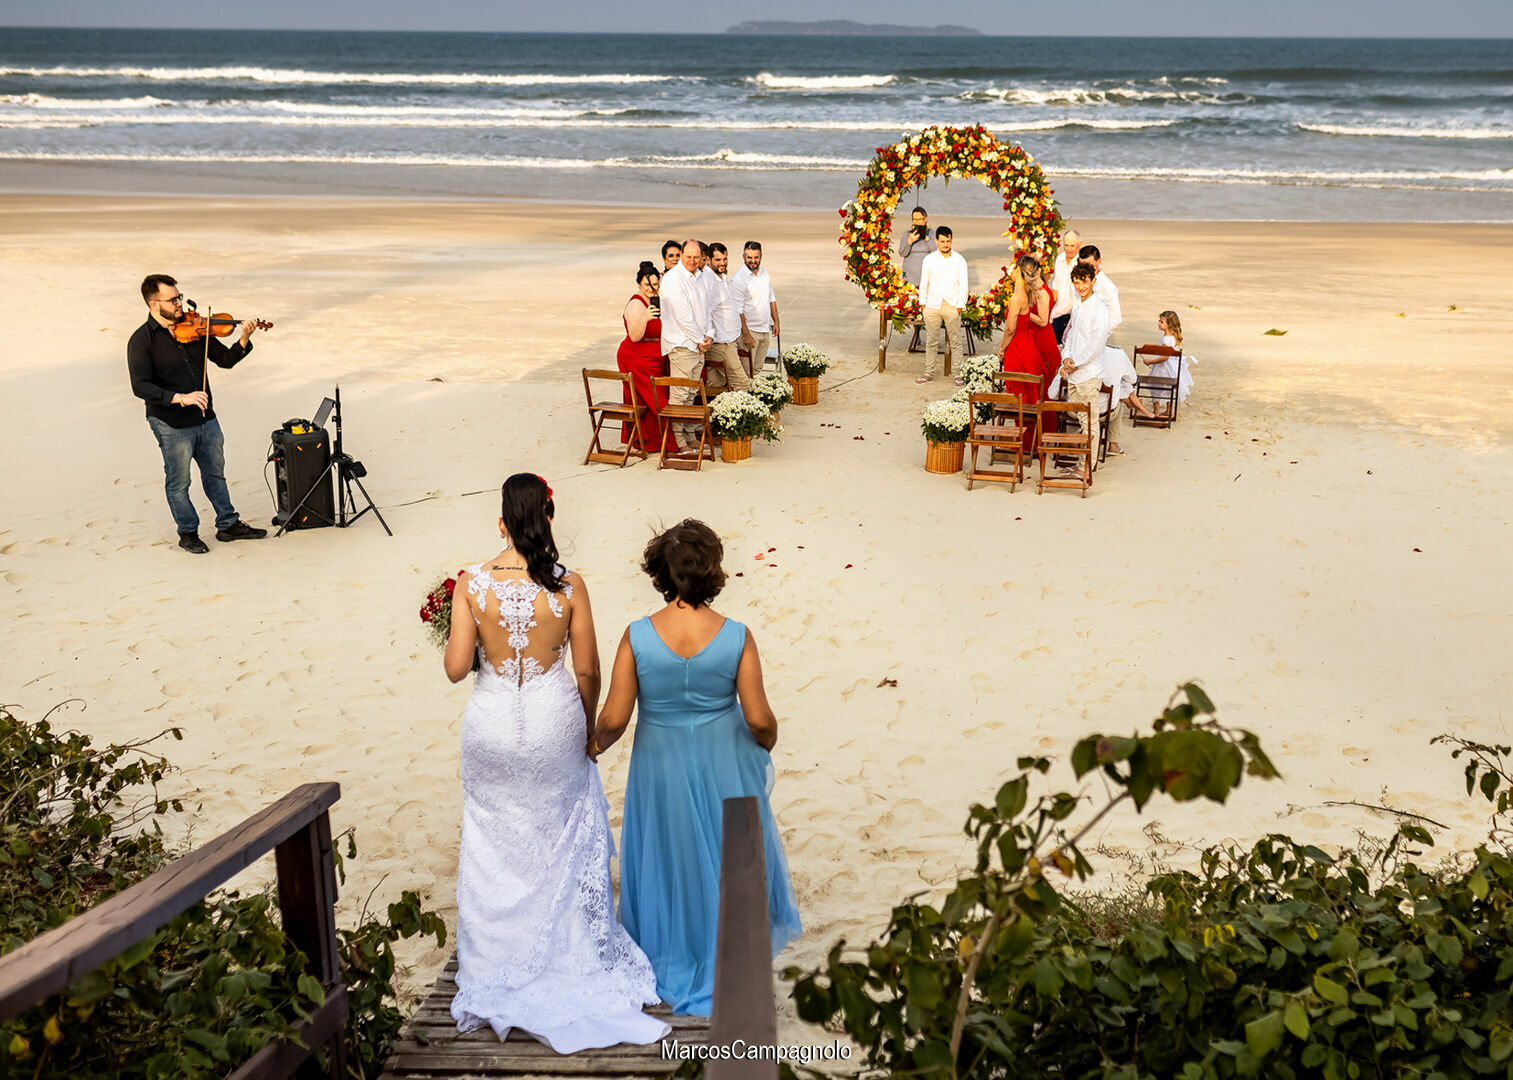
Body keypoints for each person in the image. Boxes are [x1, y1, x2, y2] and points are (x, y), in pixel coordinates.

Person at [443, 474, 669, 1052]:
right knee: (558, 830)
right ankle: (567, 948)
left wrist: (466, 633)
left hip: (492, 723)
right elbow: (588, 669)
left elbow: (455, 667)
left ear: (501, 522)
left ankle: (496, 958)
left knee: (493, 835)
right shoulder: (570, 586)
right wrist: (588, 726)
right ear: (548, 517)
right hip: (552, 718)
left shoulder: (470, 583)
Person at [593, 519, 801, 1017]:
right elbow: (759, 718)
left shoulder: (638, 636)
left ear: (660, 572)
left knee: (669, 853)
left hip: (660, 764)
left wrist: (590, 745)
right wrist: (765, 744)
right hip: (722, 759)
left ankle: (669, 950)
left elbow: (615, 718)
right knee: (726, 855)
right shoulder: (736, 637)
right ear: (712, 571)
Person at [126, 274, 269, 554]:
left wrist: (243, 339)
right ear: (154, 304)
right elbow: (140, 386)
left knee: (215, 473)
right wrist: (181, 398)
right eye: (172, 300)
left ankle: (228, 525)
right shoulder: (141, 341)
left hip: (205, 417)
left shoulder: (197, 329)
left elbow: (225, 360)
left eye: (179, 297)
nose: (180, 304)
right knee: (179, 481)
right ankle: (188, 532)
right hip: (170, 422)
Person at [998, 255, 1061, 454]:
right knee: (1031, 392)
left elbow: (1040, 322)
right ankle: (1032, 438)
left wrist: (1020, 312)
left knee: (1036, 393)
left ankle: (1039, 438)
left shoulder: (1034, 294)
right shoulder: (1027, 292)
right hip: (1030, 343)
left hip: (1040, 345)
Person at [658, 238, 713, 445]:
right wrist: (700, 340)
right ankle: (678, 442)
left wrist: (710, 336)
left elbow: (707, 311)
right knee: (680, 394)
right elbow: (683, 316)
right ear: (681, 255)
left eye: (696, 257)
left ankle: (689, 435)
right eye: (688, 256)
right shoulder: (673, 279)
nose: (692, 261)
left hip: (699, 346)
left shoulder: (701, 277)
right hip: (682, 344)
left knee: (692, 394)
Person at [1058, 263, 1110, 478]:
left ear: (1093, 281)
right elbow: (1071, 335)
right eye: (1077, 282)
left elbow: (1096, 344)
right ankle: (1081, 463)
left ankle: (1086, 467)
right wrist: (1066, 358)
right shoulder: (1079, 304)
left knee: (1090, 422)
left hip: (1089, 374)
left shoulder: (1099, 309)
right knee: (1081, 420)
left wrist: (1075, 362)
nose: (1080, 287)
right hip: (1074, 373)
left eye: (1084, 282)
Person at [616, 263, 668, 452]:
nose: (652, 288)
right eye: (647, 285)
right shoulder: (636, 304)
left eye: (655, 284)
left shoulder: (658, 299)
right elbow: (634, 336)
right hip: (636, 358)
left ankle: (653, 439)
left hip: (656, 357)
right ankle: (643, 440)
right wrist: (645, 317)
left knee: (654, 397)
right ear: (639, 284)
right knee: (651, 399)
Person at [916, 225, 967, 385]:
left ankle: (957, 375)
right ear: (936, 241)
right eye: (942, 241)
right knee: (931, 341)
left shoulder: (959, 260)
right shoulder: (929, 259)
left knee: (955, 342)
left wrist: (960, 306)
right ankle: (928, 373)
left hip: (952, 306)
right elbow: (924, 282)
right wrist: (923, 304)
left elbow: (964, 284)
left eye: (948, 241)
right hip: (932, 305)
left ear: (952, 240)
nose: (945, 244)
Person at [706, 243, 751, 391]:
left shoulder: (721, 278)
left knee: (715, 385)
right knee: (742, 384)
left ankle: (713, 406)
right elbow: (706, 312)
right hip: (721, 344)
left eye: (725, 259)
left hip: (729, 342)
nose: (722, 263)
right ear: (708, 260)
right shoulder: (710, 282)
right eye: (718, 260)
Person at [730, 241, 778, 374]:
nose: (753, 261)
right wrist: (746, 335)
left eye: (756, 257)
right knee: (747, 372)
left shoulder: (764, 273)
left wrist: (776, 322)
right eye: (749, 257)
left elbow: (771, 298)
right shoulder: (738, 279)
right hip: (750, 332)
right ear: (743, 256)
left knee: (757, 370)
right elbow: (738, 310)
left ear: (761, 256)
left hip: (765, 330)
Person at [1147, 310, 1195, 416]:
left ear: (1169, 324)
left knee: (1155, 387)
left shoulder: (1166, 339)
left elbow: (1165, 357)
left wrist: (1150, 361)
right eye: (1159, 321)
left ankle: (1156, 412)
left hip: (1163, 367)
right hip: (1172, 367)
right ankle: (1169, 411)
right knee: (1169, 389)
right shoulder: (1173, 337)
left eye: (1161, 322)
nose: (1159, 323)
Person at [1049, 228, 1081, 345]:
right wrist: (1049, 311)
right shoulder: (1060, 259)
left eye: (1072, 246)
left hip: (1073, 315)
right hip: (1058, 312)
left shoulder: (1081, 263)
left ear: (1079, 245)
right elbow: (1056, 288)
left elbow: (1076, 298)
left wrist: (1054, 313)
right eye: (1066, 245)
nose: (1069, 249)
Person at [897, 206, 935, 287]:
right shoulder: (907, 234)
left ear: (925, 219)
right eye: (914, 219)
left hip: (926, 274)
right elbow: (902, 253)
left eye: (919, 219)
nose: (917, 222)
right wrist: (909, 242)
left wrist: (926, 238)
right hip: (909, 276)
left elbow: (935, 251)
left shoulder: (931, 233)